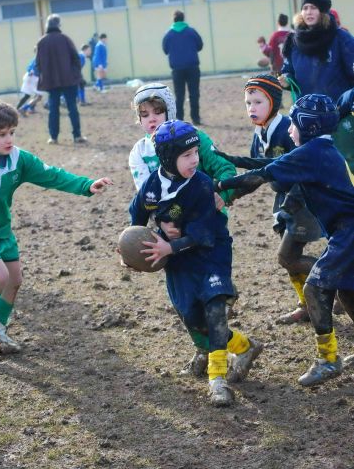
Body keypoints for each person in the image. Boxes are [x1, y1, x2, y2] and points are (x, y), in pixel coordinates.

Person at [0, 99, 112, 354]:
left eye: (12, 133)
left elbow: (52, 175)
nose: (9, 139)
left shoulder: (19, 159)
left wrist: (86, 185)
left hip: (1, 228)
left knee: (15, 280)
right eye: (1, 134)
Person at [216, 94, 354, 386]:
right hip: (346, 230)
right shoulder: (320, 147)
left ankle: (328, 360)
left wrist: (219, 186)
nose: (290, 128)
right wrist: (230, 160)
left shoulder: (312, 151)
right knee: (347, 292)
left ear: (308, 125)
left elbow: (261, 175)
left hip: (349, 230)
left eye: (294, 122)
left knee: (316, 289)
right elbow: (271, 163)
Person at [126, 119, 263, 406]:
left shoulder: (200, 184)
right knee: (193, 318)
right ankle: (245, 346)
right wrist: (133, 249)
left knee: (214, 310)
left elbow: (202, 236)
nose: (195, 160)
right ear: (166, 158)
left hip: (210, 251)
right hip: (178, 261)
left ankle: (217, 380)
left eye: (196, 154)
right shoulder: (152, 187)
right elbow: (137, 215)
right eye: (187, 156)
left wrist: (168, 245)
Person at [129, 82, 237, 376]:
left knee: (210, 300)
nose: (152, 118)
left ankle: (216, 366)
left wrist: (221, 195)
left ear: (171, 110)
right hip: (171, 237)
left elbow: (226, 169)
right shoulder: (139, 154)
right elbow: (146, 200)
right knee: (185, 306)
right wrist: (157, 226)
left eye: (158, 110)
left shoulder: (194, 139)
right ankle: (207, 347)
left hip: (206, 230)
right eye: (145, 113)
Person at [218, 75, 324, 324]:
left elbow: (304, 168)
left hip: (302, 199)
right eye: (248, 103)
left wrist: (293, 203)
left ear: (274, 103)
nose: (251, 108)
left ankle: (339, 277)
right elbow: (258, 176)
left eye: (258, 102)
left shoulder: (289, 129)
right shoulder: (259, 134)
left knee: (287, 257)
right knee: (290, 261)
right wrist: (229, 196)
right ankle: (306, 304)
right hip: (284, 201)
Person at [279, 0, 354, 103]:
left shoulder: (340, 37)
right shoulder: (293, 41)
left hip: (338, 109)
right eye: (305, 8)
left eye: (313, 8)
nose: (308, 12)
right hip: (305, 110)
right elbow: (288, 71)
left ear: (323, 11)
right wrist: (287, 80)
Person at [36, 14, 87, 144]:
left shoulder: (42, 42)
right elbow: (76, 59)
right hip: (69, 81)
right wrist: (74, 73)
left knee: (53, 110)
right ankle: (77, 136)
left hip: (51, 82)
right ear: (58, 25)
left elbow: (38, 64)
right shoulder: (65, 39)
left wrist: (45, 76)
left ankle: (53, 137)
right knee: (72, 108)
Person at [162, 10, 203, 124]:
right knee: (194, 93)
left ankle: (179, 118)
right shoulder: (191, 31)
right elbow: (200, 46)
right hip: (193, 67)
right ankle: (196, 118)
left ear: (173, 20)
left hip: (177, 69)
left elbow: (165, 50)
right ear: (183, 19)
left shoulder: (168, 34)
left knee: (179, 95)